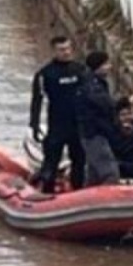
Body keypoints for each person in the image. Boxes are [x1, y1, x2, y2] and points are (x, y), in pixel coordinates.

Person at [30, 36, 87, 193]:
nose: (67, 52)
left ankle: (78, 192)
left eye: (69, 49)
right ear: (54, 51)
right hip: (57, 125)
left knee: (79, 161)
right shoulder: (45, 74)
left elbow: (91, 95)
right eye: (62, 50)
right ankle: (47, 193)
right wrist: (34, 124)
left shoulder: (80, 70)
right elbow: (37, 100)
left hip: (78, 125)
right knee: (51, 162)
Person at [75, 51, 120, 187]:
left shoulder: (90, 82)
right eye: (106, 64)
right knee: (110, 173)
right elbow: (105, 104)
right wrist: (124, 102)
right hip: (94, 133)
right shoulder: (92, 85)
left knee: (94, 172)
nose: (110, 66)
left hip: (92, 132)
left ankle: (87, 197)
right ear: (98, 66)